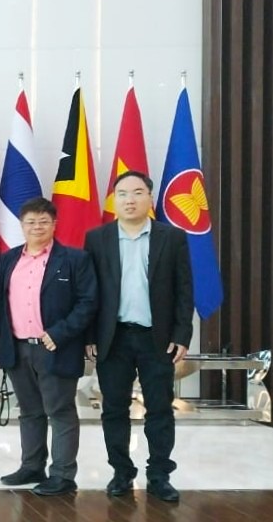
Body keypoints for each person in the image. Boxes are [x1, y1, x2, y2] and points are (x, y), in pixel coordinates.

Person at [84, 170, 194, 503]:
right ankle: (121, 472)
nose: (129, 200)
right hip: (113, 338)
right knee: (114, 409)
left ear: (149, 197)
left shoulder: (171, 237)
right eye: (122, 194)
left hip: (156, 339)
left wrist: (182, 333)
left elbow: (183, 289)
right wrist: (90, 335)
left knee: (160, 409)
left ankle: (159, 475)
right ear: (114, 199)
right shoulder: (97, 238)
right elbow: (89, 292)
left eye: (137, 193)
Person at [0, 197, 97, 496]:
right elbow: (0, 305)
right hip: (18, 348)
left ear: (54, 224)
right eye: (30, 222)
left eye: (43, 221)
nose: (37, 227)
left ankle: (62, 475)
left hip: (55, 347)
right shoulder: (9, 259)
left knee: (60, 410)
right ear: (21, 226)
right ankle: (32, 466)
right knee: (30, 411)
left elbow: (88, 303)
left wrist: (59, 333)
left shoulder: (74, 260)